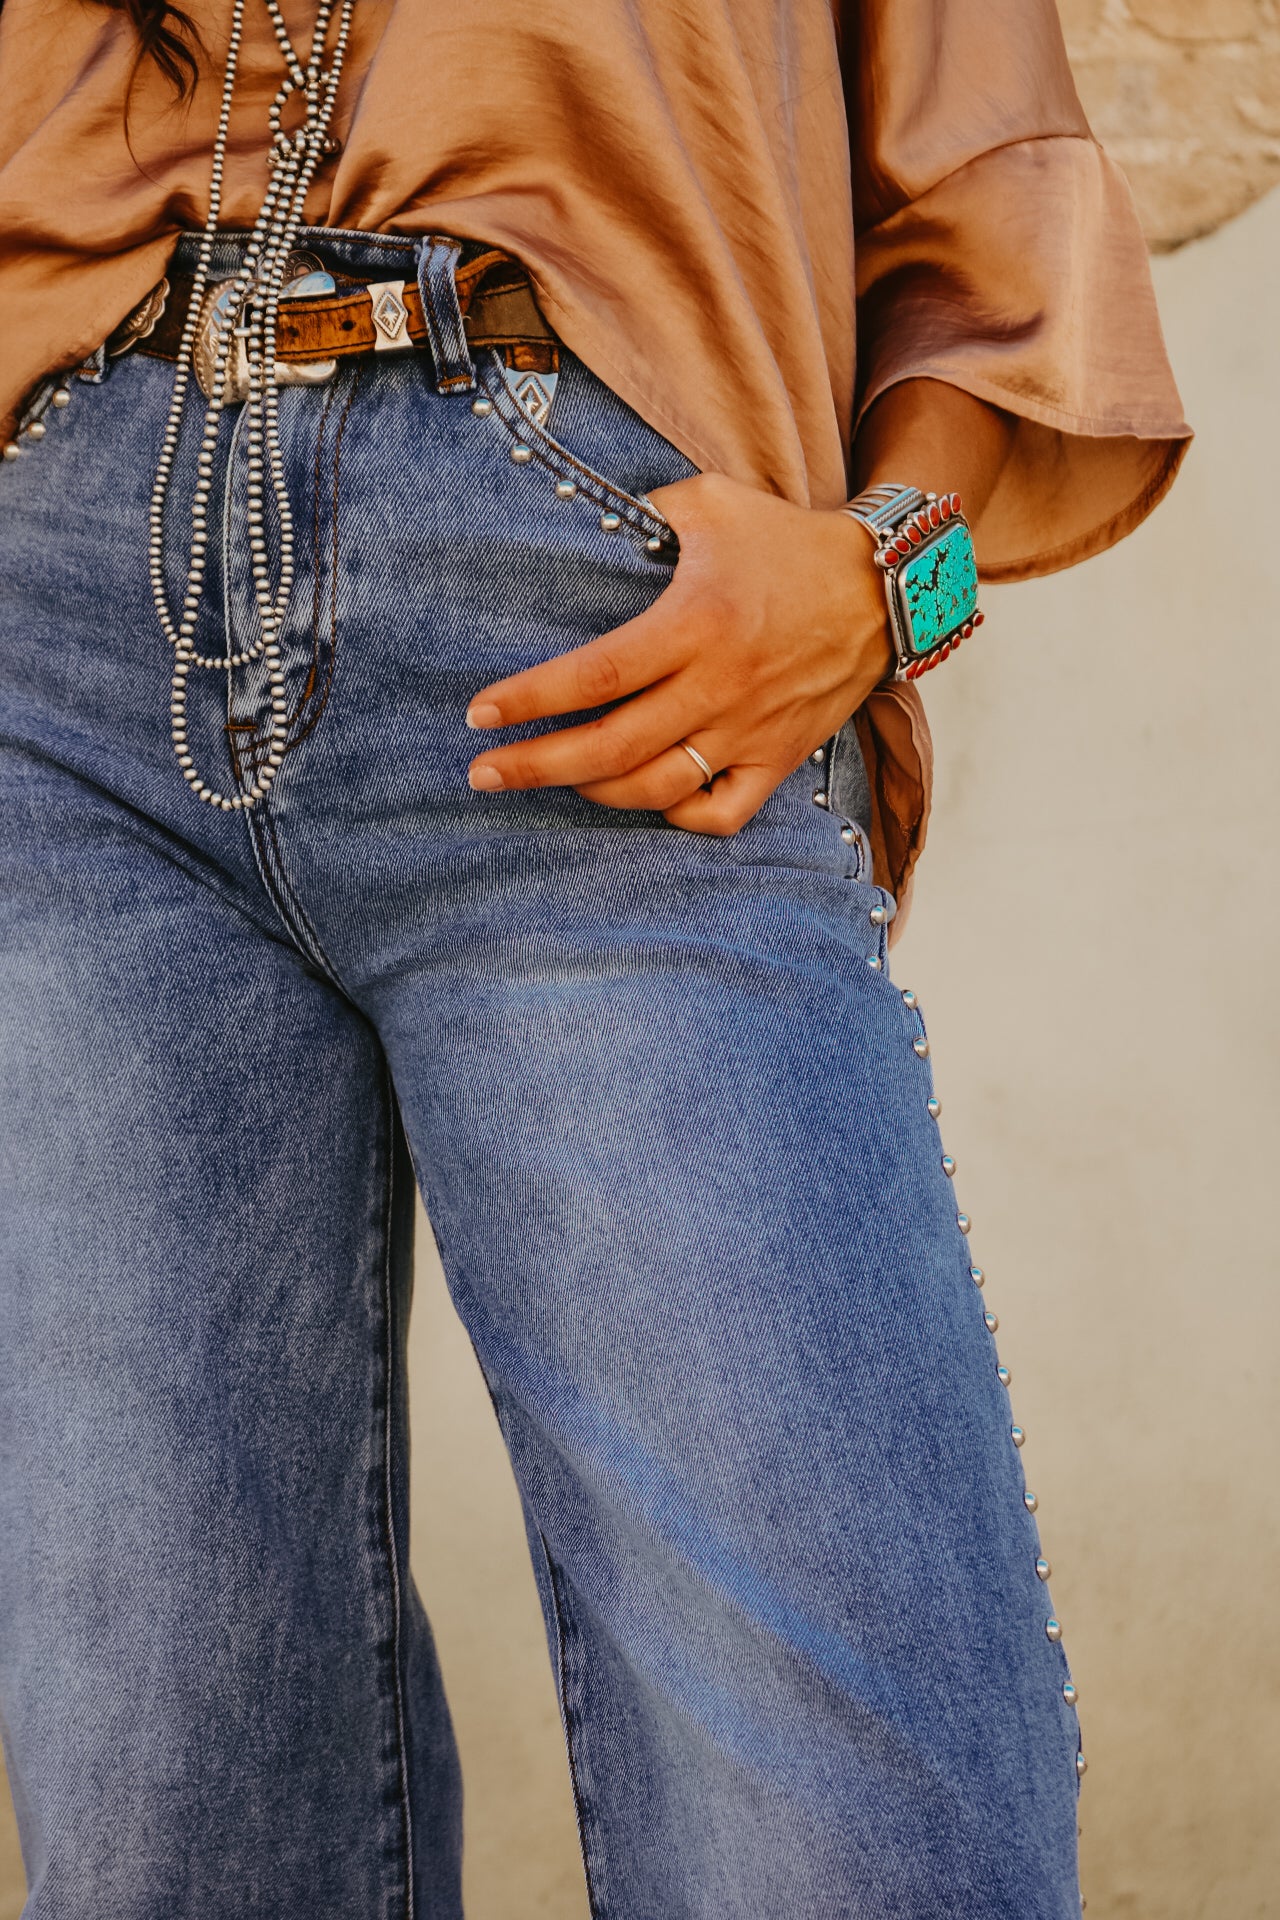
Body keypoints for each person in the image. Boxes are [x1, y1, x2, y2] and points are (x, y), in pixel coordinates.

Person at [0, 1, 1189, 1914]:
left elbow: (986, 192)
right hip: (53, 654)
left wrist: (888, 579)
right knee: (168, 1813)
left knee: (855, 1839)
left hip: (604, 633)